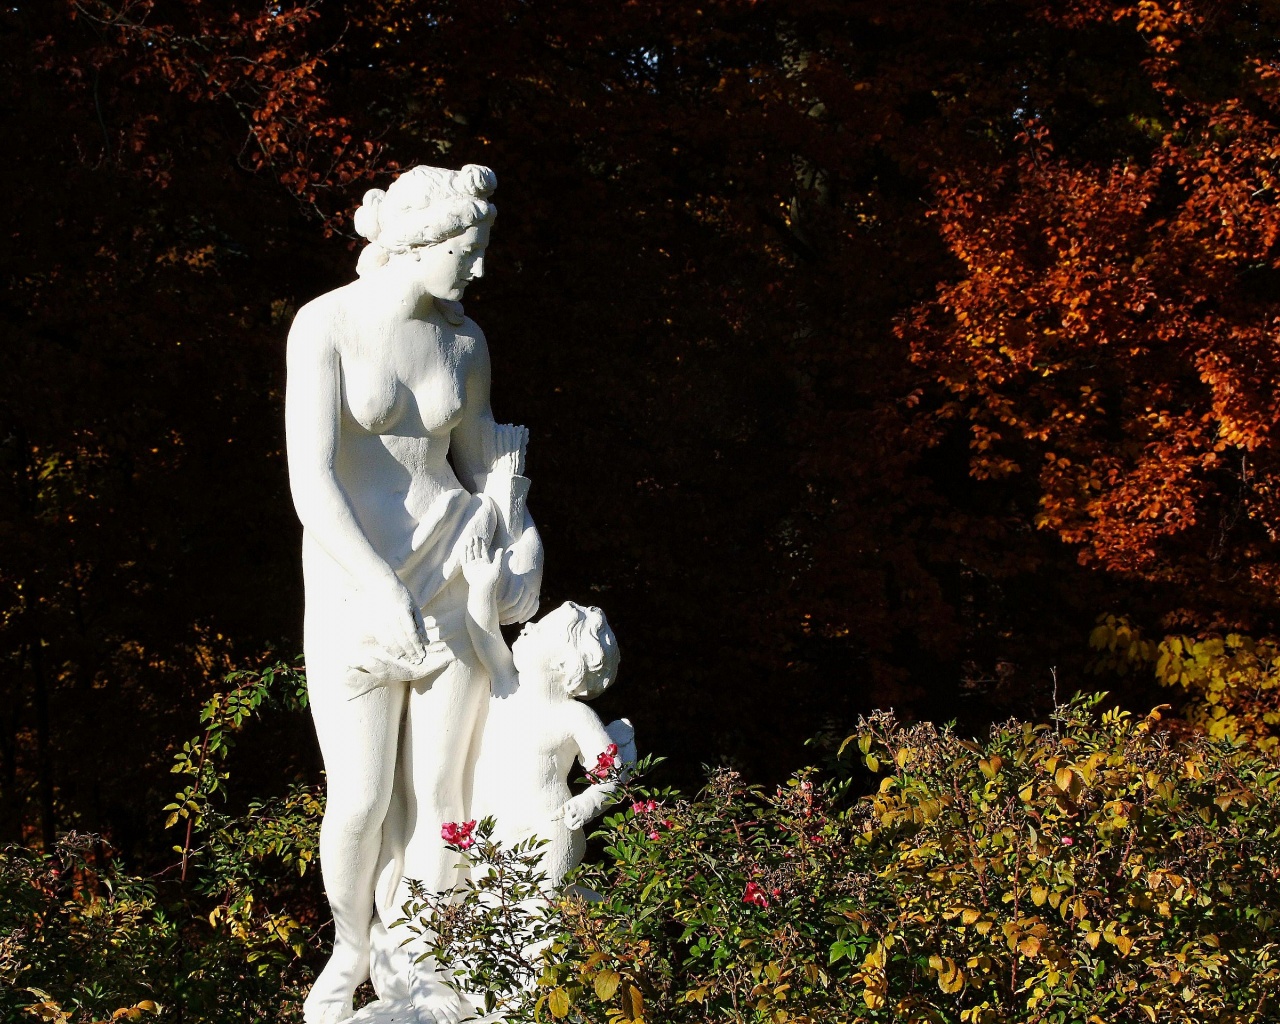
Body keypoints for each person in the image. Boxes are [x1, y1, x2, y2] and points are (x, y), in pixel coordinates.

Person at [285, 164, 543, 1024]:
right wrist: (374, 586)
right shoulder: (324, 325)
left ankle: (421, 959)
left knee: (445, 794)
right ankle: (350, 946)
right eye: (467, 253)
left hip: (448, 575)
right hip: (356, 590)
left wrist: (511, 528)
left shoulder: (465, 344)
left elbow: (480, 464)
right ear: (419, 242)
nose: (477, 271)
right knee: (358, 798)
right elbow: (311, 484)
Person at [459, 540, 633, 886]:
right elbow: (484, 634)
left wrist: (591, 802)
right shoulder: (507, 683)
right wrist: (481, 585)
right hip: (492, 826)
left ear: (563, 663)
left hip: (549, 826)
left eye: (538, 630)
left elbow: (615, 775)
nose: (526, 628)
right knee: (491, 912)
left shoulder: (574, 716)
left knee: (542, 915)